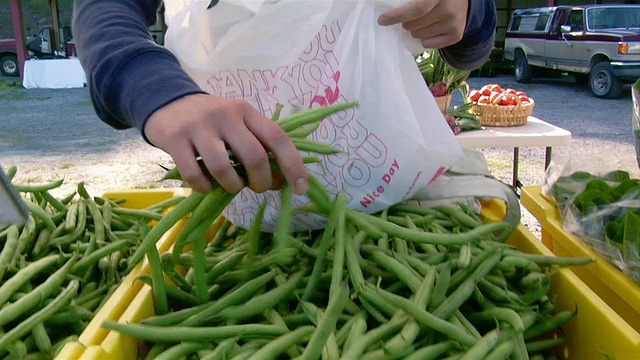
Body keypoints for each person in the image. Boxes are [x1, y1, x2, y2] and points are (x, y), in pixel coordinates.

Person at [72, 0, 496, 196]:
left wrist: (466, 9)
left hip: (394, 193)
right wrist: (159, 93)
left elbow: (473, 38)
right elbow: (106, 7)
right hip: (246, 199)